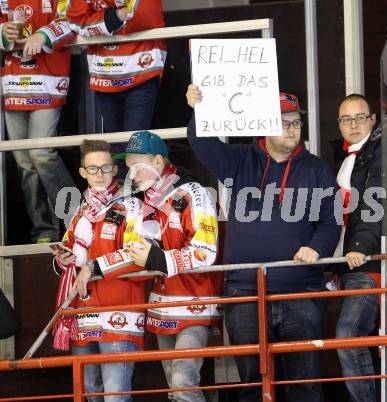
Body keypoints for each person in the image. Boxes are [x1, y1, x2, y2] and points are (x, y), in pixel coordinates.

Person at [186, 85, 341, 402]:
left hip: (300, 290)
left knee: (305, 383)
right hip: (245, 293)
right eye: (284, 122)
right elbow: (201, 142)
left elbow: (331, 220)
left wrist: (318, 247)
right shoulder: (240, 160)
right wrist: (198, 109)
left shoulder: (317, 169)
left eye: (296, 123)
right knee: (253, 385)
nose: (292, 130)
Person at [101, 130, 223, 402]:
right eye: (129, 167)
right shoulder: (144, 200)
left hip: (195, 301)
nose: (131, 174)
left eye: (136, 165)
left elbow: (206, 252)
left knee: (183, 383)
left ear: (157, 162)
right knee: (174, 389)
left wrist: (155, 258)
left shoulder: (194, 192)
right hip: (161, 305)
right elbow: (135, 252)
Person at [52, 139, 146, 402]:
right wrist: (65, 258)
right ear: (82, 172)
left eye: (106, 167)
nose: (100, 174)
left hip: (119, 311)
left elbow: (134, 253)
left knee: (115, 396)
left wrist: (91, 267)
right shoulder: (80, 212)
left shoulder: (132, 207)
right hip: (83, 311)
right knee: (89, 393)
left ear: (115, 170)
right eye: (93, 169)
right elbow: (70, 260)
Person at [0, 1, 76, 243]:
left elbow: (74, 20)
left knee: (41, 153)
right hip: (12, 83)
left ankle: (78, 217)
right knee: (24, 162)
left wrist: (44, 33)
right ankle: (43, 230)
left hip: (48, 81)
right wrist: (2, 33)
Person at [333, 94, 382, 402]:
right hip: (346, 265)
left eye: (360, 118)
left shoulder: (380, 153)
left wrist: (362, 245)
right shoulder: (347, 157)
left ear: (373, 120)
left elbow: (378, 202)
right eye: (346, 119)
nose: (353, 125)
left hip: (368, 262)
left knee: (348, 337)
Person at [66, 0, 166, 135]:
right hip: (104, 74)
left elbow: (146, 17)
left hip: (141, 71)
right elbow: (75, 23)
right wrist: (117, 15)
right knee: (116, 146)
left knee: (134, 144)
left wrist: (98, 22)